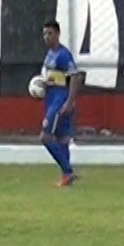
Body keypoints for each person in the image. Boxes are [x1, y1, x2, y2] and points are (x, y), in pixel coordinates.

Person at [38, 20, 82, 187]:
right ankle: (66, 176)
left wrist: (69, 102)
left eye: (50, 33)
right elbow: (51, 76)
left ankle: (68, 170)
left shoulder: (63, 54)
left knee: (45, 137)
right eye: (44, 34)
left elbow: (75, 76)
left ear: (57, 34)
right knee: (62, 138)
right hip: (50, 98)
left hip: (60, 99)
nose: (46, 37)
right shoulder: (50, 54)